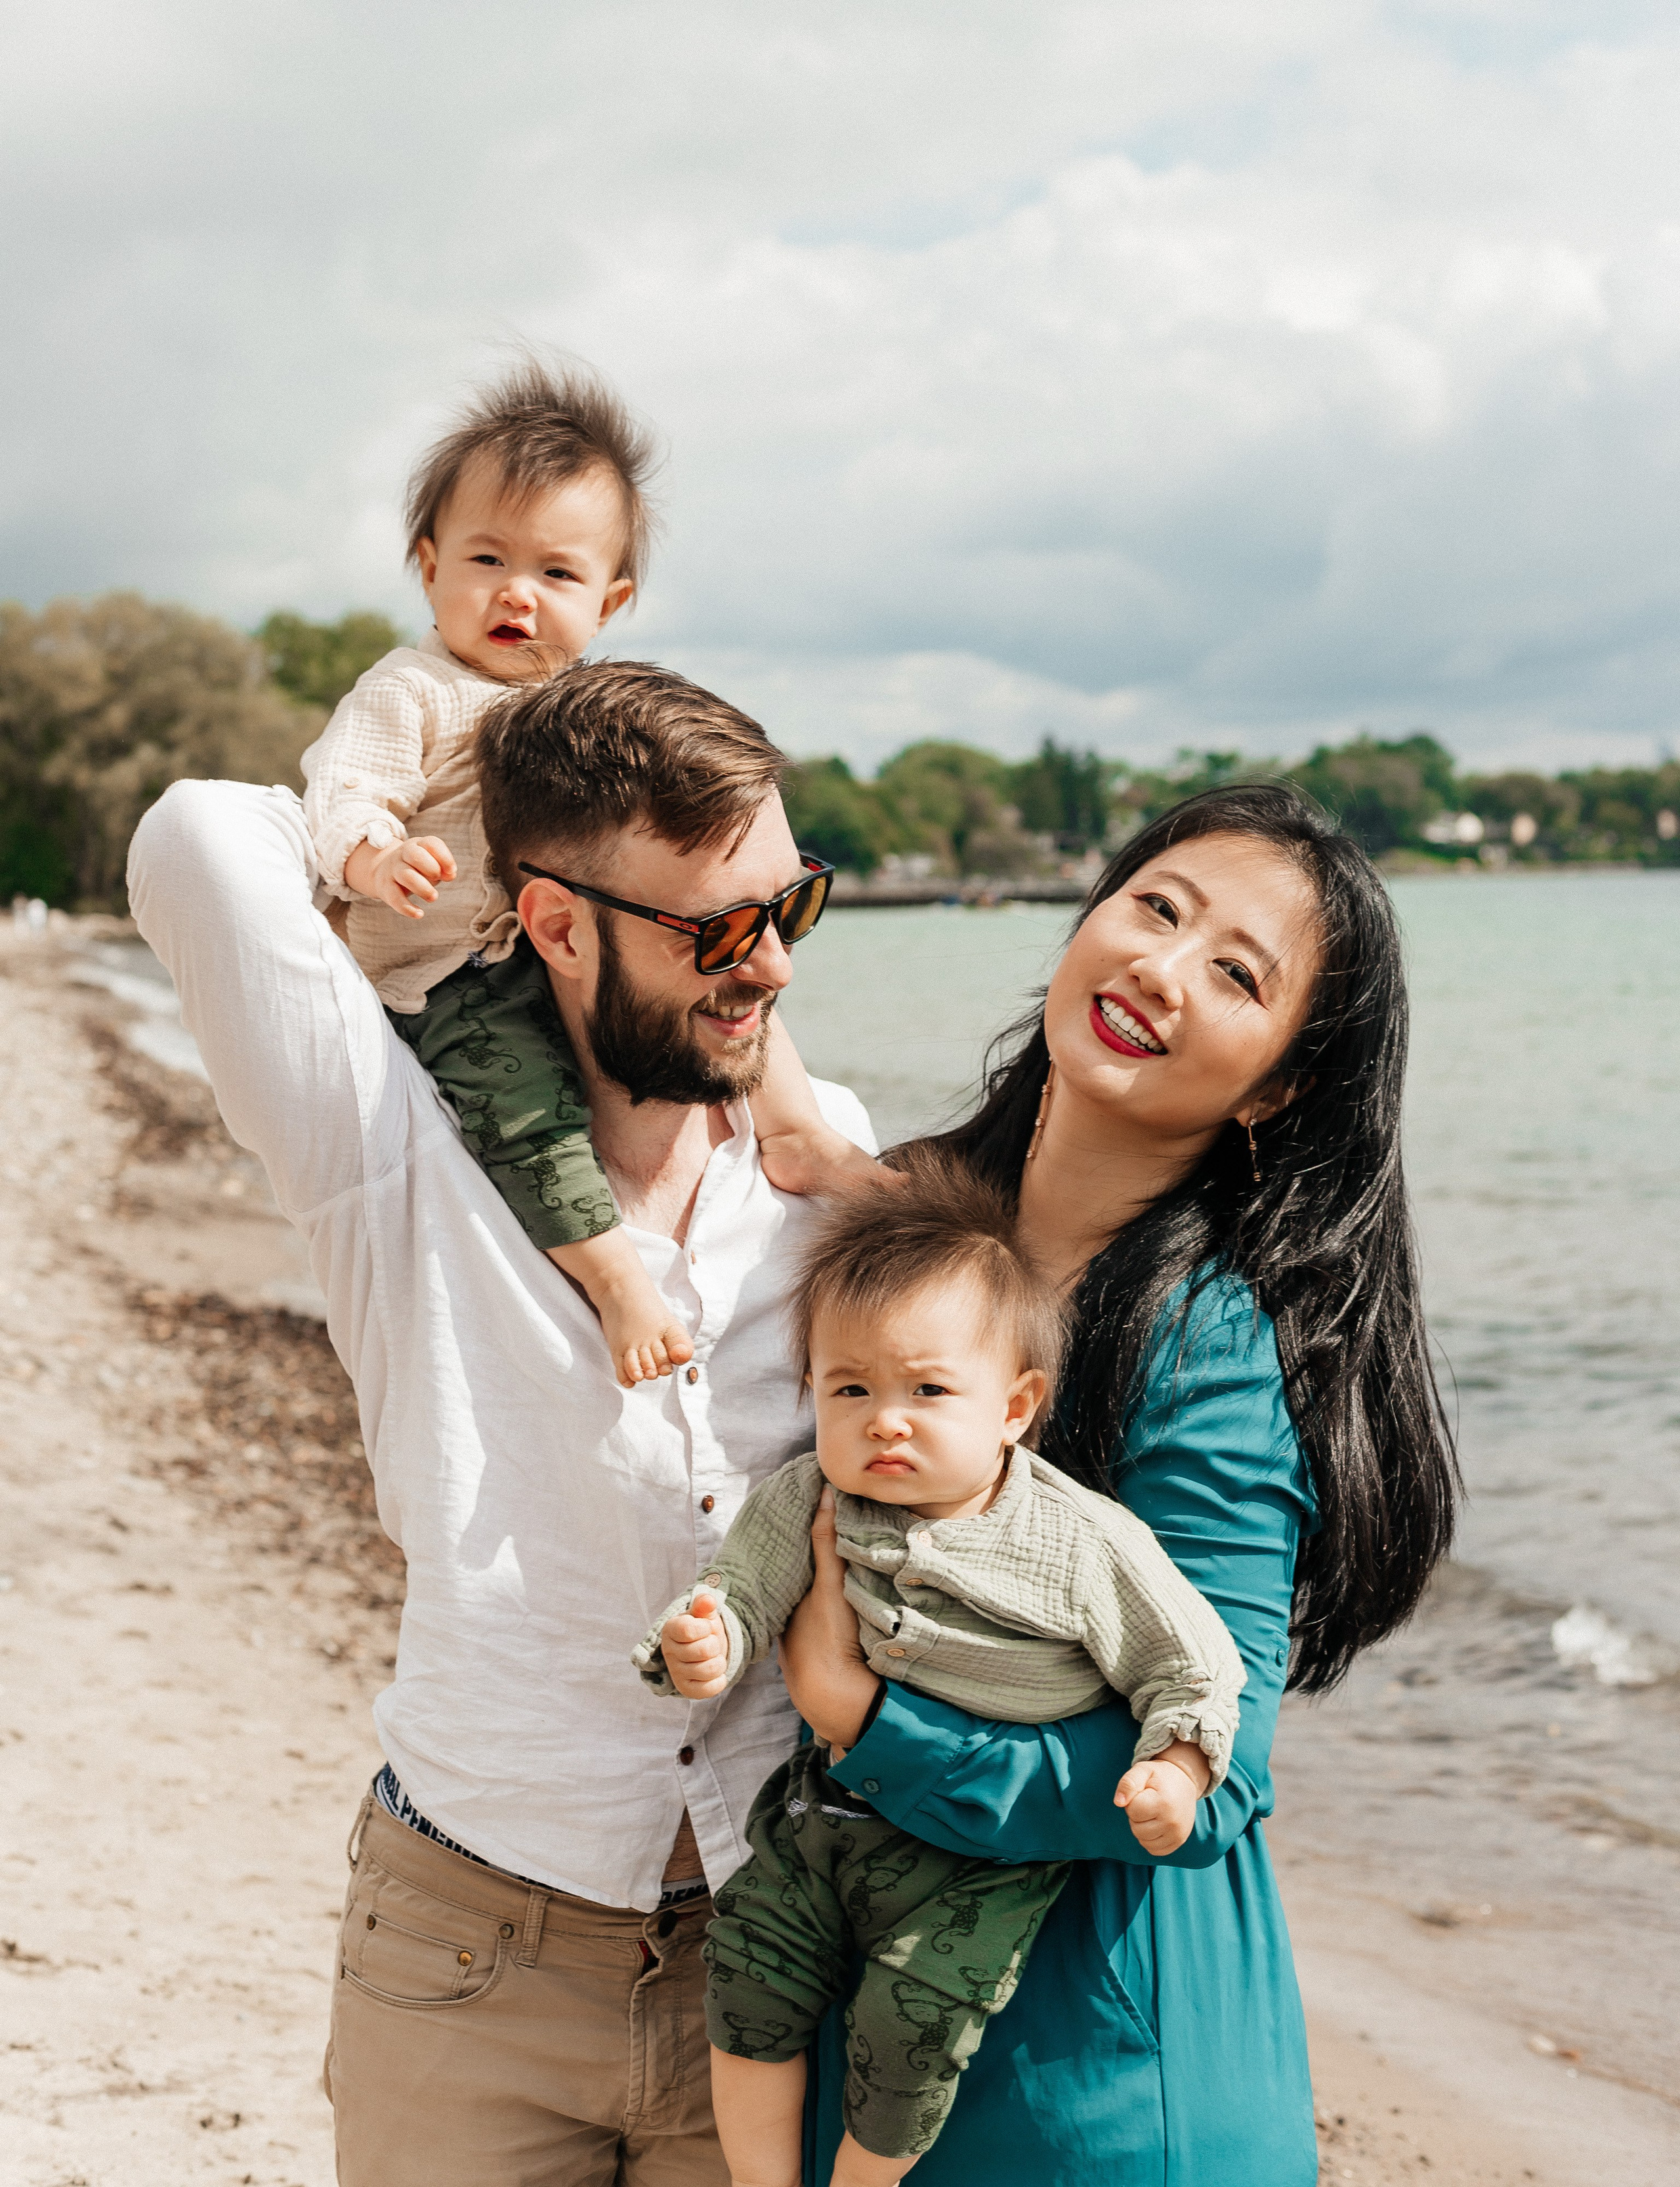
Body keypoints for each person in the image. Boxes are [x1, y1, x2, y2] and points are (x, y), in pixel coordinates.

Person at [127, 660, 875, 2186]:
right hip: (470, 1955)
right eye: (716, 930)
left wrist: (777, 1074)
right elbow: (197, 836)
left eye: (790, 905)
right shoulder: (384, 1143)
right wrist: (418, 810)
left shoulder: (823, 1162)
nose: (771, 969)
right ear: (550, 922)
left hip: (771, 1963)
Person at [772, 783, 1461, 2185]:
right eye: (1155, 908)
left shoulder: (1205, 1341)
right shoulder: (910, 1217)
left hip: (1099, 2070)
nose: (1162, 968)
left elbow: (1220, 1770)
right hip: (872, 1989)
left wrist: (869, 1721)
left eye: (1236, 974)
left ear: (1275, 1085)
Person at [637, 1162, 1244, 2187]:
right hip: (826, 1814)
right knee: (748, 1969)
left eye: (928, 1390)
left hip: (984, 1859)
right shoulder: (807, 1497)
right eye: (851, 1389)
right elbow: (742, 1591)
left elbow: (1189, 1662)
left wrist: (1176, 1770)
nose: (886, 1420)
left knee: (916, 2020)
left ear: (1014, 1407)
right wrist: (704, 1644)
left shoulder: (1077, 1541)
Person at [300, 359, 858, 1388]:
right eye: (486, 560)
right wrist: (378, 859)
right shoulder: (412, 690)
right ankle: (614, 1279)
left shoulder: (584, 711)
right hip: (449, 969)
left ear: (611, 599)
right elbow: (342, 793)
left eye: (557, 575)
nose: (517, 593)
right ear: (428, 567)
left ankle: (797, 1133)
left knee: (737, 960)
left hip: (548, 947)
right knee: (526, 1107)